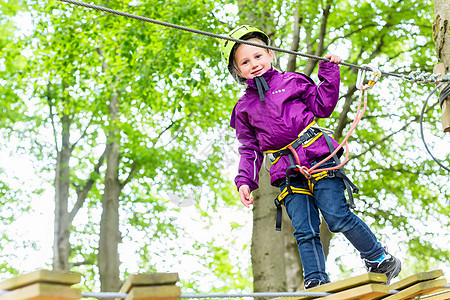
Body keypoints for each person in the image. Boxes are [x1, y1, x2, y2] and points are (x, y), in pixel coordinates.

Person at [220, 25, 401, 288]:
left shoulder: (291, 81)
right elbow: (249, 149)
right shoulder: (244, 109)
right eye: (245, 62)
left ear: (270, 54)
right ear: (237, 71)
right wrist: (245, 180)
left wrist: (329, 71)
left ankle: (379, 258)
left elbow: (323, 105)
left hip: (317, 156)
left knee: (336, 215)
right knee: (304, 229)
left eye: (258, 56)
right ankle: (316, 280)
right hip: (287, 171)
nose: (254, 64)